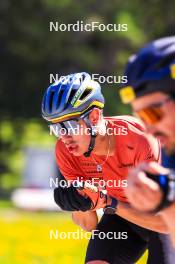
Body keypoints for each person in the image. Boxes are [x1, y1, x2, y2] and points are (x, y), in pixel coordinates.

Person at [42, 72, 167, 264]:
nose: (64, 137)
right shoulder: (66, 151)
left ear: (93, 116)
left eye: (69, 125)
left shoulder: (139, 139)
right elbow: (89, 224)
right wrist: (81, 204)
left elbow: (164, 221)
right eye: (57, 128)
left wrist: (108, 202)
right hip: (122, 216)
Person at [119, 36, 175, 250]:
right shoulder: (170, 151)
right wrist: (165, 201)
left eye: (152, 113)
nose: (148, 130)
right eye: (141, 118)